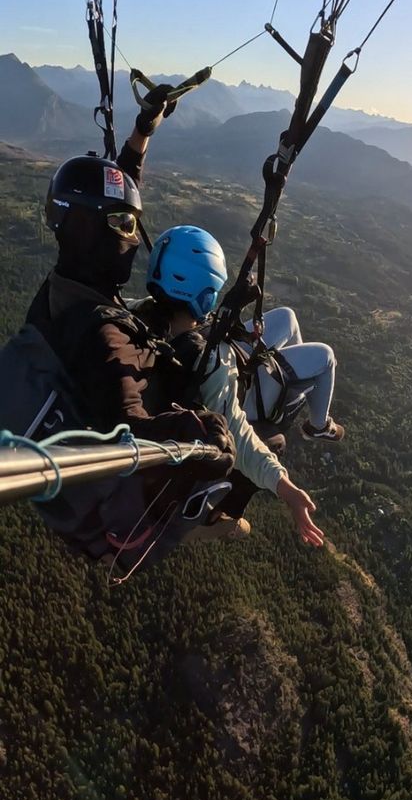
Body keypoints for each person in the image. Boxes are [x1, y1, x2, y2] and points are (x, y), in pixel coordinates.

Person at [25, 92, 239, 545]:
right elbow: (133, 436)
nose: (133, 235)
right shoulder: (101, 335)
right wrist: (196, 432)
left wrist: (143, 132)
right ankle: (221, 516)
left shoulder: (72, 281)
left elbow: (113, 199)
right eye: (123, 226)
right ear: (94, 233)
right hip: (132, 507)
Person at [137, 225, 326, 548]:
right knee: (274, 437)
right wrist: (286, 488)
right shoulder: (210, 359)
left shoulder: (136, 317)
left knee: (287, 321)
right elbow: (239, 435)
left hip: (152, 437)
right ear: (207, 295)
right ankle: (216, 513)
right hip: (186, 465)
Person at [242, 306, 345, 443]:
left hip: (223, 356)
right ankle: (319, 426)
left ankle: (296, 388)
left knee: (287, 316)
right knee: (326, 357)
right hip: (240, 391)